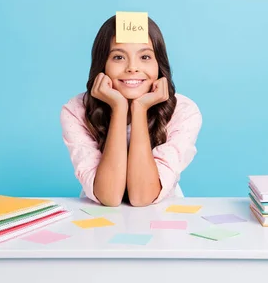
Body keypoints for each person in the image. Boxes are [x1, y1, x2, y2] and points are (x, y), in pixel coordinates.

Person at [60, 15, 202, 207]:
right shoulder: (76, 110)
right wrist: (119, 108)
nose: (133, 68)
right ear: (102, 64)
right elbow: (109, 197)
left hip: (162, 214)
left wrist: (140, 108)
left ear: (159, 64)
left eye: (145, 57)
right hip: (100, 215)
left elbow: (142, 197)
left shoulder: (184, 111)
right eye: (118, 57)